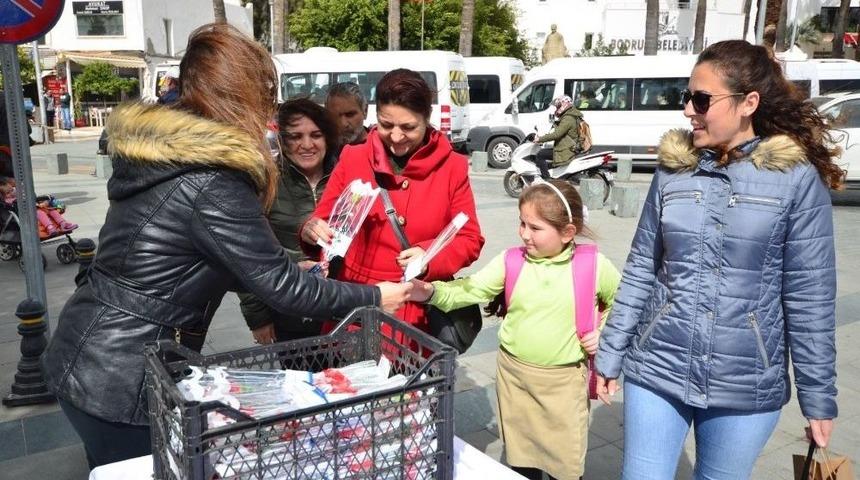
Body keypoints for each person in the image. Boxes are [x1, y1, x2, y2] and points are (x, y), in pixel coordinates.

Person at [41, 23, 412, 471]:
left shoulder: (164, 155)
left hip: (90, 352)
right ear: (240, 95)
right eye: (264, 94)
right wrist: (377, 296)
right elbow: (282, 289)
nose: (267, 109)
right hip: (119, 376)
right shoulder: (211, 179)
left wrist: (294, 272)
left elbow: (205, 260)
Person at [595, 40, 842, 479]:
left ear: (748, 103)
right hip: (658, 366)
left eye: (702, 99)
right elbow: (640, 269)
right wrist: (610, 354)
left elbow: (810, 298)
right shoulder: (674, 171)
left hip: (746, 383)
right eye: (686, 96)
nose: (689, 110)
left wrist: (818, 397)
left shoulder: (795, 180)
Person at [408, 180, 621, 480]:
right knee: (522, 460)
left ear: (567, 233)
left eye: (535, 228)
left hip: (564, 383)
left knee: (567, 464)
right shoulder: (511, 260)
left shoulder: (594, 265)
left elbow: (623, 303)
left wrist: (604, 333)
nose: (524, 234)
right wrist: (429, 292)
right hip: (514, 377)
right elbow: (472, 289)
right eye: (522, 223)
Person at [301, 68, 484, 342]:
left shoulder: (452, 167)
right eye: (386, 125)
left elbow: (469, 238)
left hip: (417, 308)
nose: (396, 137)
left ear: (427, 118)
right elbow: (325, 219)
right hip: (358, 305)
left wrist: (428, 255)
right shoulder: (354, 158)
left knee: (413, 383)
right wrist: (311, 230)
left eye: (409, 127)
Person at [239, 98, 339, 345]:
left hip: (345, 311)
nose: (307, 144)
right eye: (296, 136)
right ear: (282, 141)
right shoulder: (266, 181)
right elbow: (245, 250)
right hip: (291, 311)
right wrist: (258, 318)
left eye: (316, 135)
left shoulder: (346, 175)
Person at [533, 96, 585, 179]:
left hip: (567, 150)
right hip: (569, 147)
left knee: (540, 154)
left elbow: (557, 134)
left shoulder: (568, 118)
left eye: (558, 107)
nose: (556, 109)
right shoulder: (571, 115)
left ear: (564, 105)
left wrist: (540, 139)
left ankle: (547, 179)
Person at [325, 82, 369, 148]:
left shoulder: (382, 149)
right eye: (335, 116)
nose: (343, 124)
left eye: (350, 115)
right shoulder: (323, 149)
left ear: (365, 111)